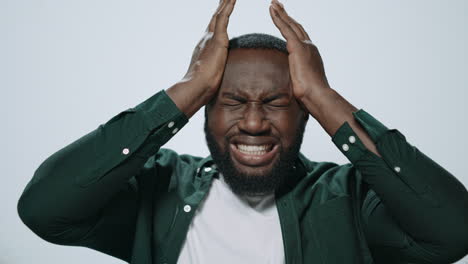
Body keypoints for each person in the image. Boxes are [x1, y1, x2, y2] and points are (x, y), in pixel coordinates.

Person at [17, 0, 468, 263]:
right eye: (231, 102)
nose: (253, 123)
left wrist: (326, 96)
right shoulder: (156, 190)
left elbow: (452, 230)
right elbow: (44, 208)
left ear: (306, 114)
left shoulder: (349, 199)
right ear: (204, 112)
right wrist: (186, 90)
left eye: (277, 103)